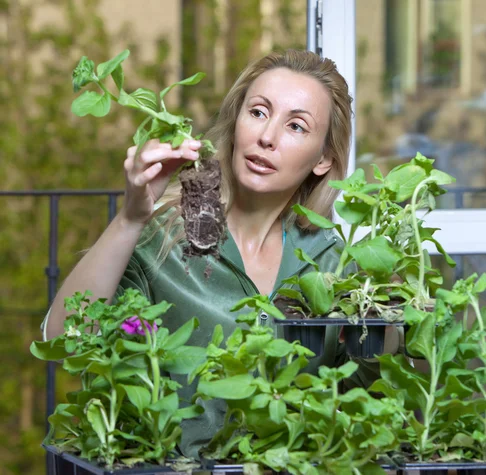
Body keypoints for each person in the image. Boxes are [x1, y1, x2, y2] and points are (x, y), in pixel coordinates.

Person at [42, 49, 399, 458]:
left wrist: (393, 316)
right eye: (259, 112)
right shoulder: (167, 238)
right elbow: (65, 338)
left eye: (296, 125)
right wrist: (130, 218)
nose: (267, 137)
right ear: (237, 122)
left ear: (323, 160)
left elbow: (366, 400)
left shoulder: (335, 265)